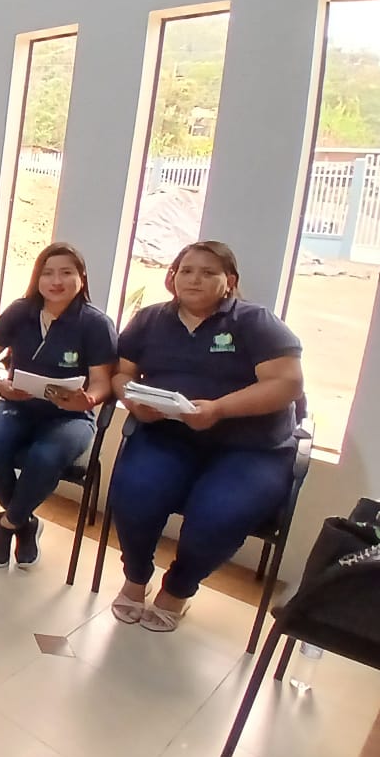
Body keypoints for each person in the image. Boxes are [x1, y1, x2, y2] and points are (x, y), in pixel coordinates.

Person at [107, 241, 304, 632]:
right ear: (172, 277)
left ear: (229, 281)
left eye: (208, 272)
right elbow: (121, 373)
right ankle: (136, 576)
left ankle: (178, 588)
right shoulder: (150, 320)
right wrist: (132, 400)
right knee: (134, 492)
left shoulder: (255, 321)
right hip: (169, 435)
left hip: (251, 448)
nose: (194, 279)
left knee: (220, 513)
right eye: (186, 270)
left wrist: (218, 409)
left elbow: (287, 384)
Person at [0, 242, 117, 568]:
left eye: (66, 273)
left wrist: (88, 399)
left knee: (44, 457)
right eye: (48, 273)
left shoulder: (96, 323)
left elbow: (102, 381)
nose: (56, 281)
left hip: (70, 416)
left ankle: (7, 525)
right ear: (37, 278)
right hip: (18, 405)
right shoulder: (20, 312)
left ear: (81, 277)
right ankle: (24, 522)